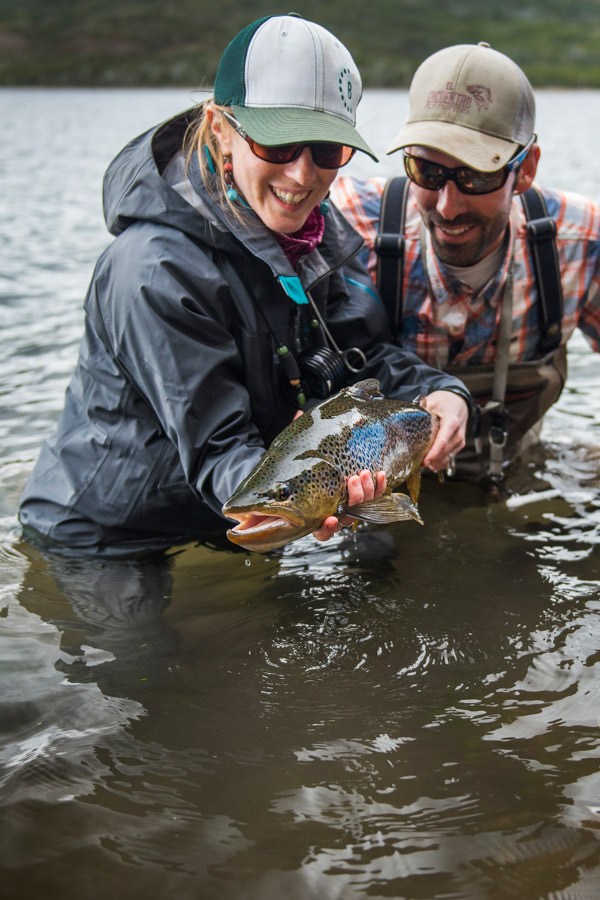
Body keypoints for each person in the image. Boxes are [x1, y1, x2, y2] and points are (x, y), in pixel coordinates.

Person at [18, 15, 470, 557]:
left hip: (227, 516)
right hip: (105, 535)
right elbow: (218, 448)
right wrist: (310, 498)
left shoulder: (317, 237)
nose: (303, 177)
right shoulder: (151, 272)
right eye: (278, 146)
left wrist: (443, 393)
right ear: (220, 129)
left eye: (326, 151)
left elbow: (363, 357)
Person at [331, 42, 600, 485]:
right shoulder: (348, 227)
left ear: (526, 168)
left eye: (476, 176)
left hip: (513, 472)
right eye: (427, 172)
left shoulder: (581, 246)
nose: (448, 206)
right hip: (377, 492)